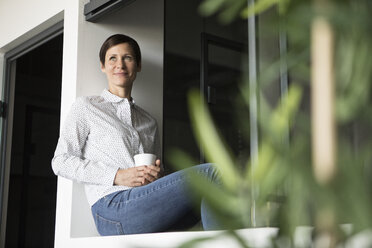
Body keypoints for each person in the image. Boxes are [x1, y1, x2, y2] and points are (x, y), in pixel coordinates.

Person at [52, 34, 220, 236]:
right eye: (112, 58)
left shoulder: (149, 121)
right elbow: (60, 161)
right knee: (213, 174)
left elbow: (158, 176)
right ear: (103, 66)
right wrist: (117, 175)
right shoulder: (86, 107)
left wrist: (157, 176)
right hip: (112, 208)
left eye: (128, 58)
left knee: (209, 194)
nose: (120, 64)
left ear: (138, 65)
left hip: (144, 205)